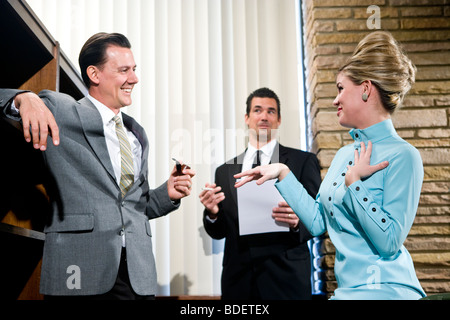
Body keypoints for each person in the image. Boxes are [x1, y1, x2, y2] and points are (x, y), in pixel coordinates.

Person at [0, 32, 195, 299]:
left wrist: (167, 193)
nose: (134, 79)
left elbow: (132, 209)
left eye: (134, 69)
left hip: (136, 278)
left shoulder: (136, 134)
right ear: (94, 74)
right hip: (78, 273)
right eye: (124, 70)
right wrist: (25, 98)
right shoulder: (61, 109)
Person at [235, 31, 426, 300]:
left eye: (340, 88)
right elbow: (315, 222)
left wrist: (355, 185)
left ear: (366, 89)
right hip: (347, 292)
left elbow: (390, 242)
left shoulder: (404, 156)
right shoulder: (344, 155)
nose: (335, 100)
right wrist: (283, 173)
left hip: (388, 289)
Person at [199, 87, 321, 299]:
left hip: (286, 278)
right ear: (247, 118)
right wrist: (212, 213)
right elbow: (220, 231)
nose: (264, 116)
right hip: (239, 281)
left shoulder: (303, 162)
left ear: (279, 120)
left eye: (271, 111)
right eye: (257, 110)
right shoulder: (225, 170)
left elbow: (318, 218)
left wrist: (296, 223)